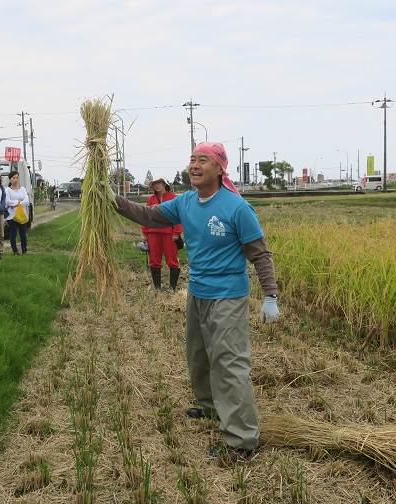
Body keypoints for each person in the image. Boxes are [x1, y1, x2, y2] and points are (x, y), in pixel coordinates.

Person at [112, 142, 280, 461]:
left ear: (219, 168)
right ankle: (211, 407)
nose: (194, 165)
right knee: (198, 356)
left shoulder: (236, 208)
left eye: (203, 159)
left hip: (228, 295)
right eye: (191, 159)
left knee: (229, 364)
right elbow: (147, 214)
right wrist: (113, 200)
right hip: (198, 292)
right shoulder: (185, 202)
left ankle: (243, 440)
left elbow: (260, 253)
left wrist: (270, 294)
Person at [142, 178, 183, 291]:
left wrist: (177, 232)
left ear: (164, 184)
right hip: (153, 233)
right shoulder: (151, 199)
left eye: (159, 183)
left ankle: (172, 288)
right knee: (154, 261)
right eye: (154, 184)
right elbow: (145, 216)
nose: (157, 185)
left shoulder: (173, 198)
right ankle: (157, 289)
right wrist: (145, 233)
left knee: (172, 260)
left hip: (169, 234)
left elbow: (179, 216)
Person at [6, 171, 30, 255]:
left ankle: (24, 250)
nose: (15, 179)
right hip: (11, 216)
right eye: (13, 178)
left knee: (23, 233)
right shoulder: (7, 190)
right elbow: (8, 202)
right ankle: (15, 251)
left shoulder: (23, 189)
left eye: (17, 177)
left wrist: (19, 204)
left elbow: (26, 200)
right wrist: (17, 202)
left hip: (22, 215)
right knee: (13, 234)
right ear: (10, 179)